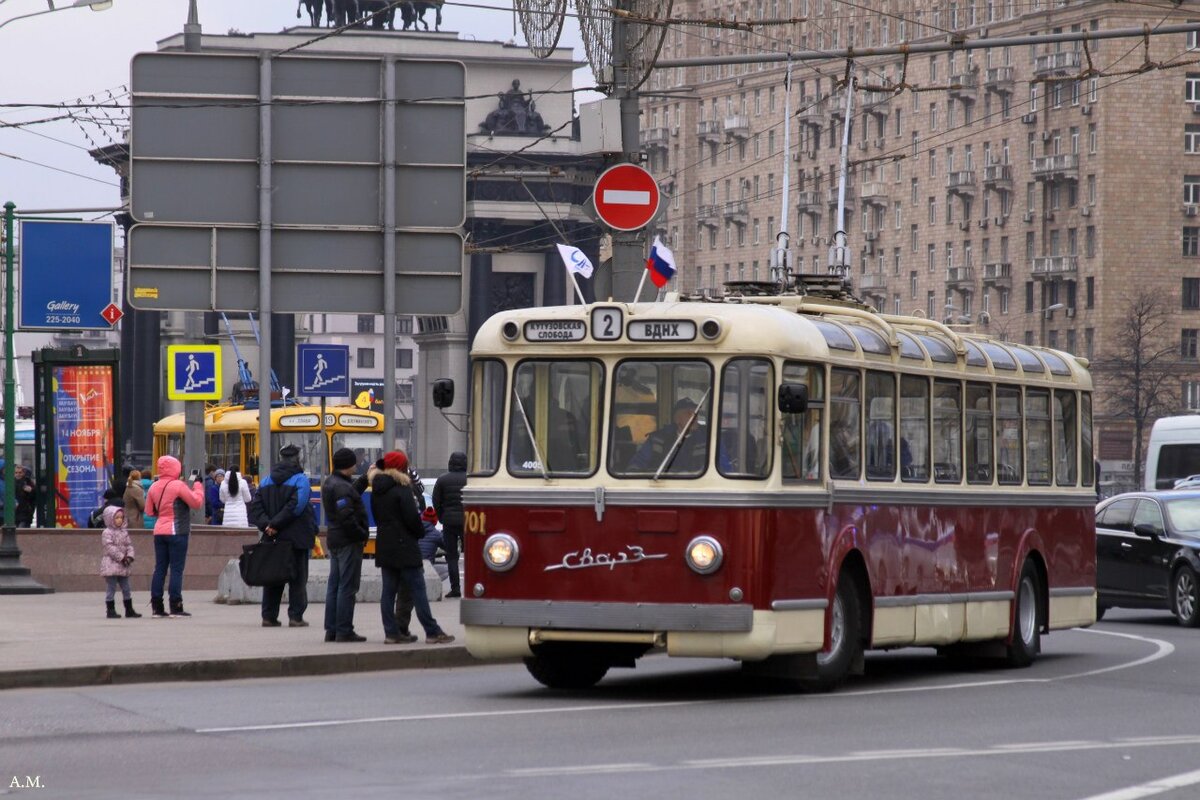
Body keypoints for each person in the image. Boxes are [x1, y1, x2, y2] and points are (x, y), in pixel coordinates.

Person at [372, 450, 454, 645]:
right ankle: (432, 631)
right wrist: (419, 532)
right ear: (402, 468)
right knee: (418, 590)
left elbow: (378, 518)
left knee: (388, 592)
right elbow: (413, 518)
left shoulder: (377, 489)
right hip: (405, 546)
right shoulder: (402, 489)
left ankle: (392, 633)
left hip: (385, 545)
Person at [248, 443, 317, 629]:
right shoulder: (300, 480)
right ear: (297, 459)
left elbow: (256, 507)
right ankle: (295, 617)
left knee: (273, 577)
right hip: (297, 538)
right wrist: (276, 523)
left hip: (273, 538)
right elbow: (297, 506)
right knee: (298, 578)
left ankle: (269, 617)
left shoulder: (266, 480)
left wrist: (267, 525)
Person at [144, 456, 205, 618]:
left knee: (160, 569)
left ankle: (157, 607)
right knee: (176, 569)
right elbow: (196, 503)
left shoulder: (153, 486)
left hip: (159, 531)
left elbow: (149, 512)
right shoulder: (178, 485)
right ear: (176, 468)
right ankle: (176, 606)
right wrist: (198, 485)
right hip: (177, 531)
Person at [322, 447, 370, 643]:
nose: (356, 465)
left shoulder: (332, 483)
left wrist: (365, 479)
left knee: (334, 585)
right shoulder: (341, 487)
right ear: (348, 465)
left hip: (335, 539)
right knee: (347, 587)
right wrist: (360, 535)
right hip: (347, 541)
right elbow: (347, 516)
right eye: (354, 463)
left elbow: (351, 493)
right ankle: (344, 630)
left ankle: (332, 629)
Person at [628, 397, 709, 474]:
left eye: (696, 413)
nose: (694, 416)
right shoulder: (657, 439)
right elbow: (638, 462)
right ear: (677, 419)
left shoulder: (706, 439)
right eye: (689, 413)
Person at [432, 451, 467, 598]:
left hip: (449, 522)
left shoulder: (442, 480)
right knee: (472, 556)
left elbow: (436, 501)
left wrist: (442, 517)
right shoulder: (470, 480)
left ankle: (455, 588)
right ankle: (473, 587)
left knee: (452, 556)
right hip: (469, 522)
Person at [99, 506, 141, 619]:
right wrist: (122, 557)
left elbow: (129, 545)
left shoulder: (124, 532)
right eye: (116, 518)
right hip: (111, 565)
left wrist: (130, 556)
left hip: (123, 565)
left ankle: (129, 609)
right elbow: (109, 548)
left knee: (126, 588)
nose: (119, 520)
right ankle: (110, 610)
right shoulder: (107, 533)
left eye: (121, 518)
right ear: (109, 519)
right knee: (111, 588)